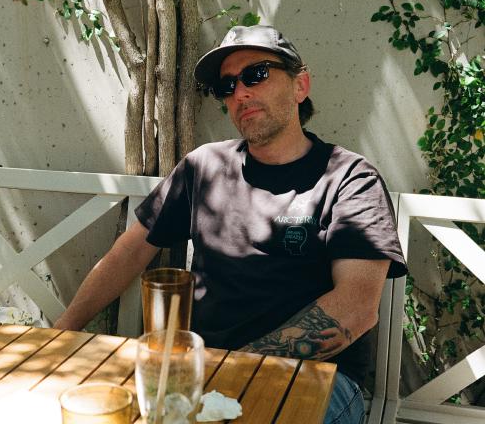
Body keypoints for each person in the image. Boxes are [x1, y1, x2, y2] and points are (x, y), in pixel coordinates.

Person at [55, 24, 407, 424]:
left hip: (314, 376)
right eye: (227, 85)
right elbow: (130, 252)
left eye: (256, 74)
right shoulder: (204, 167)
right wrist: (62, 332)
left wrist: (233, 370)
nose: (240, 93)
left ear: (300, 85)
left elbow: (356, 308)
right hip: (202, 368)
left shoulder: (349, 179)